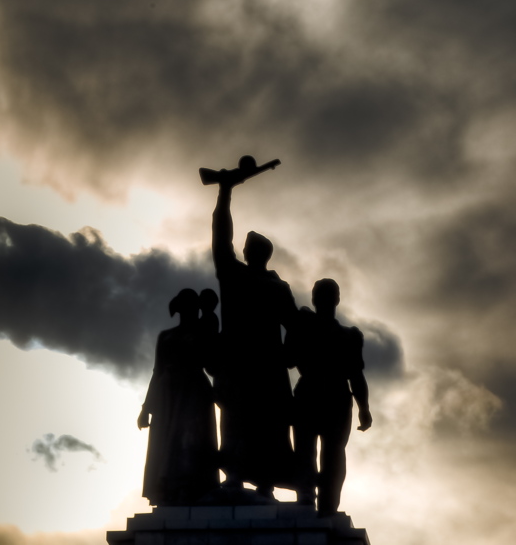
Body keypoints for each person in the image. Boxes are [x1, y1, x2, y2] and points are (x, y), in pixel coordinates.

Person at [210, 156, 298, 497]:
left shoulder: (241, 278)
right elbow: (294, 326)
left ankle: (251, 479)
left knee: (256, 423)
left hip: (256, 366)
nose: (242, 250)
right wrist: (289, 353)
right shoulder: (272, 286)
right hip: (252, 365)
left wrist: (225, 193)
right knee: (248, 422)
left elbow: (220, 238)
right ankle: (251, 480)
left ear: (250, 253)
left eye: (245, 248)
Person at [286, 278, 372, 516]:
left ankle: (325, 506)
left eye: (327, 295)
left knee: (331, 456)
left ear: (336, 299)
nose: (323, 300)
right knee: (308, 452)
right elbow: (288, 359)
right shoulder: (304, 326)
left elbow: (356, 376)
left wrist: (364, 408)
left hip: (334, 398)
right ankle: (309, 499)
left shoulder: (349, 336)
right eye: (320, 295)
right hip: (313, 395)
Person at [137, 288, 221, 505]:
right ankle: (167, 489)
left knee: (189, 440)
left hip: (193, 392)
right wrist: (146, 408)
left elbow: (212, 361)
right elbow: (157, 371)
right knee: (166, 442)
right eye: (185, 306)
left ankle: (188, 487)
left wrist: (209, 319)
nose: (190, 311)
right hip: (167, 395)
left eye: (193, 306)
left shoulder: (203, 330)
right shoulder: (166, 336)